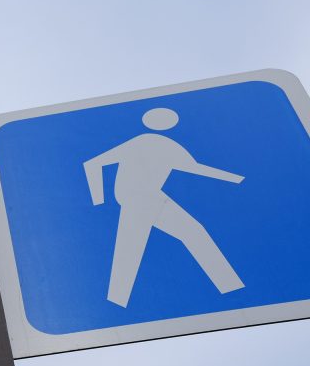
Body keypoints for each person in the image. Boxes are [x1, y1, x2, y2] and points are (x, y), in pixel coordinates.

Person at [83, 107, 244, 307]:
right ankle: (116, 304)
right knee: (131, 248)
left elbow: (195, 168)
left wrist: (233, 178)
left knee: (192, 232)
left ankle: (233, 289)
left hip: (153, 198)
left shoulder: (172, 147)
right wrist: (98, 201)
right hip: (135, 199)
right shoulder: (141, 142)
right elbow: (93, 164)